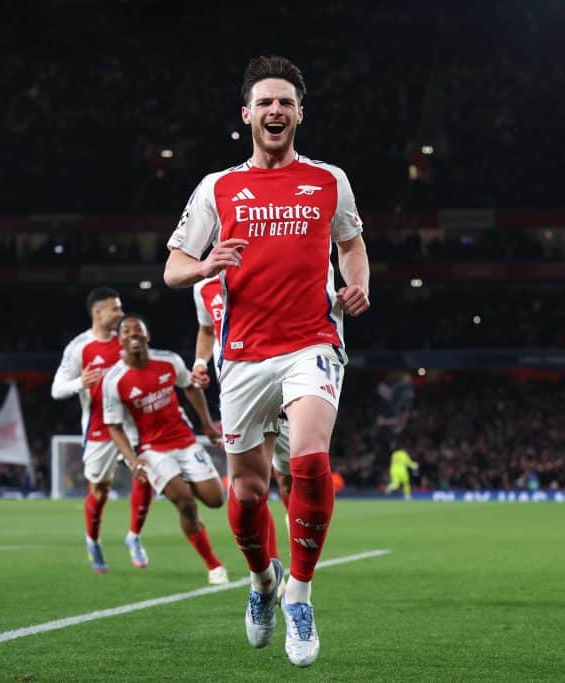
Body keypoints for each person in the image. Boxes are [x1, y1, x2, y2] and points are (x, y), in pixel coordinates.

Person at [164, 55, 370, 667]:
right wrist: (203, 266)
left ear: (300, 113)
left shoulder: (329, 179)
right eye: (265, 102)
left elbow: (352, 243)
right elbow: (174, 265)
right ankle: (262, 582)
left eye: (286, 102)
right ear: (247, 113)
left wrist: (358, 285)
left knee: (309, 462)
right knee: (249, 489)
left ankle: (300, 596)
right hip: (243, 355)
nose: (275, 110)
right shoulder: (217, 186)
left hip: (312, 342)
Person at [103, 314, 229, 585]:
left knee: (216, 500)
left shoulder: (169, 361)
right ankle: (214, 565)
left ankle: (185, 501)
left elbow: (190, 388)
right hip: (150, 450)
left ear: (147, 336)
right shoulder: (114, 381)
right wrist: (132, 460)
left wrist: (206, 425)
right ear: (120, 340)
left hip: (185, 441)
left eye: (138, 329)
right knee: (185, 501)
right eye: (126, 331)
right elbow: (114, 426)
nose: (133, 333)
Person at [51, 287, 155, 574]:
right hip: (98, 428)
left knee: (146, 473)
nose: (121, 314)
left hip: (132, 424)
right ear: (98, 313)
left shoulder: (127, 343)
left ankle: (134, 536)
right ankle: (93, 540)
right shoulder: (78, 348)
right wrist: (80, 383)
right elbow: (56, 390)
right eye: (116, 309)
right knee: (100, 489)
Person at [191, 275, 291, 545]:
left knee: (287, 476)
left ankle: (298, 543)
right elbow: (208, 328)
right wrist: (200, 361)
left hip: (281, 381)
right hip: (238, 392)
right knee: (249, 484)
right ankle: (265, 571)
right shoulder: (201, 285)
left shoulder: (263, 267)